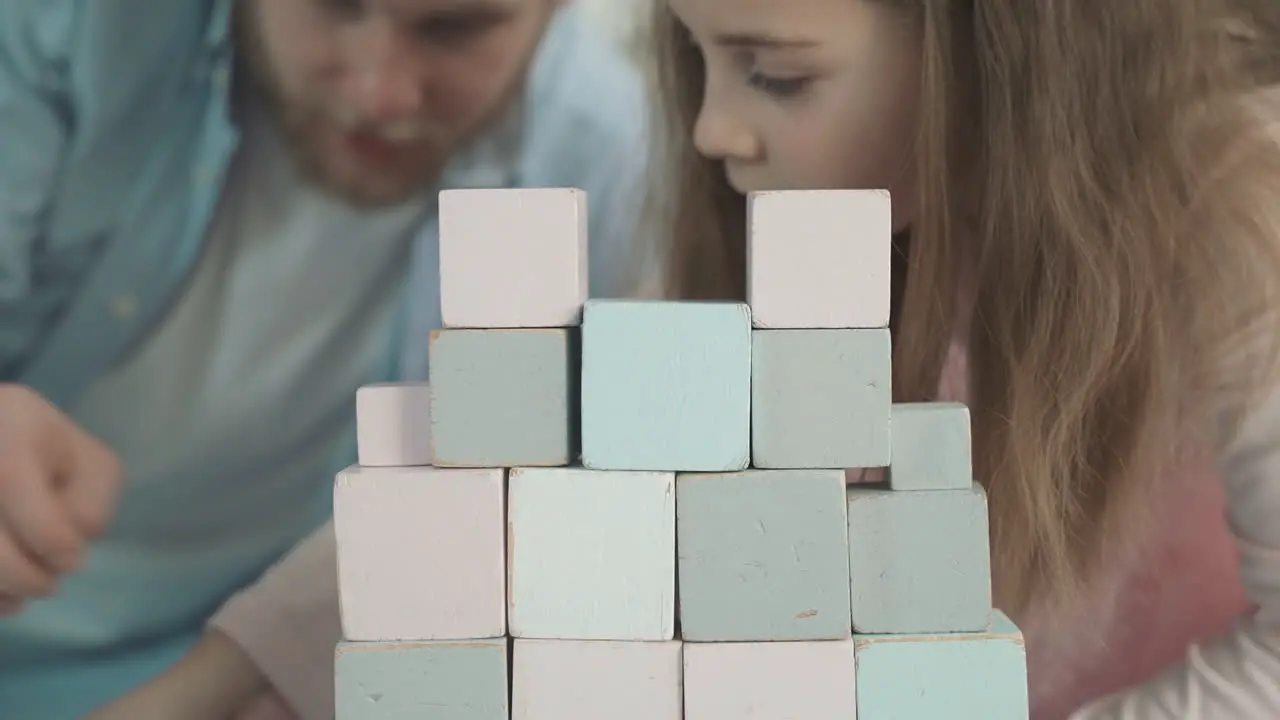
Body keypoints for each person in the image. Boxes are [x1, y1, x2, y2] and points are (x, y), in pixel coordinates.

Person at [0, 0, 647, 718]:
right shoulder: (64, 26)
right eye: (335, 7)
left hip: (231, 668)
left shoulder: (602, 161)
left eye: (453, 29)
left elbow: (479, 542)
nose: (381, 91)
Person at [647, 0, 1280, 718]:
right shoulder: (832, 238)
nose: (708, 130)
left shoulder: (1242, 224)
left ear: (991, 50)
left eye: (774, 73)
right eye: (694, 55)